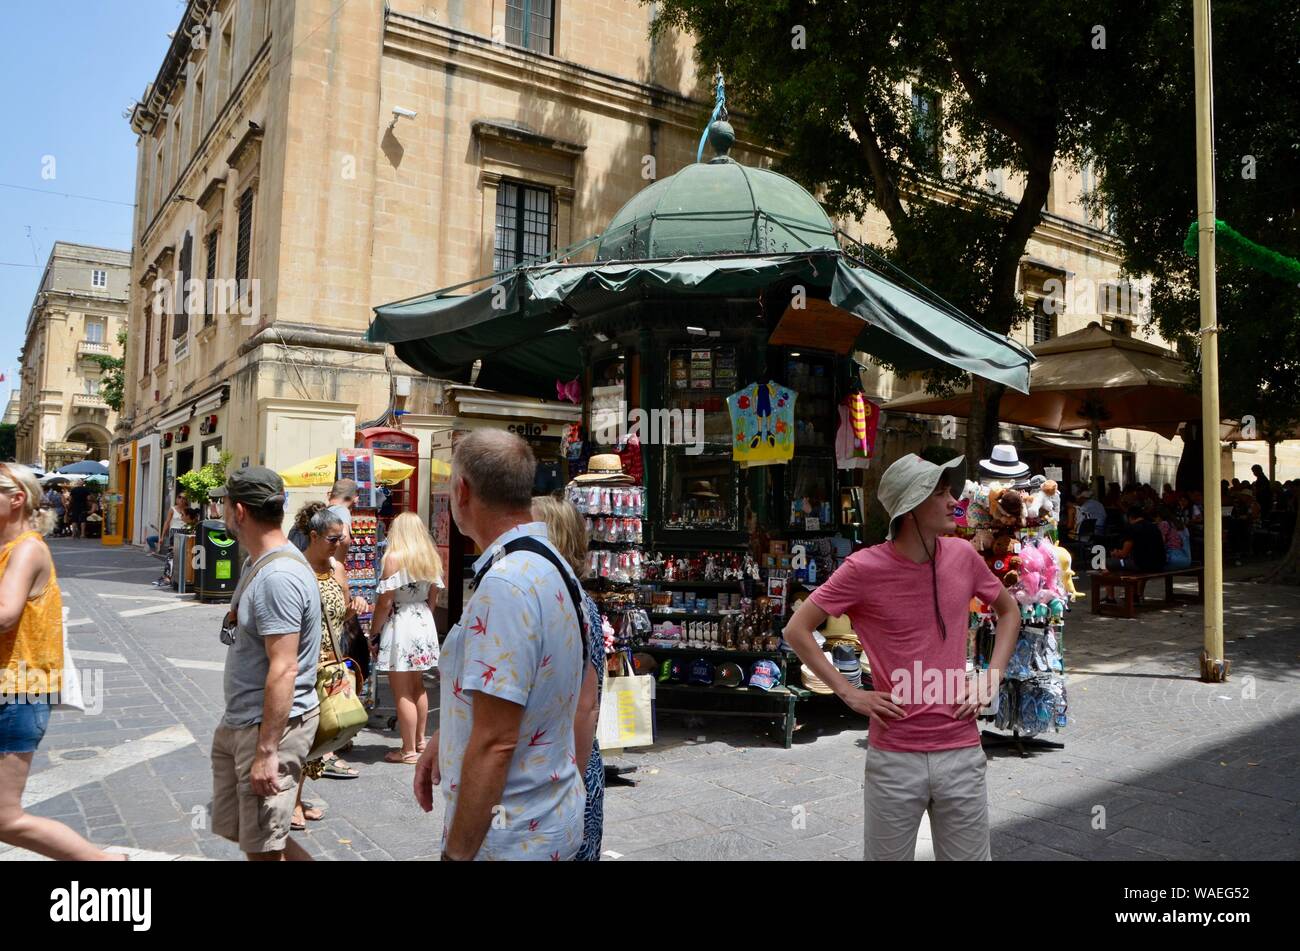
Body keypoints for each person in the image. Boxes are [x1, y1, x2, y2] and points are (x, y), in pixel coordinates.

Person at [784, 454, 1021, 861]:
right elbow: (796, 629)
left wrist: (991, 677)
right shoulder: (863, 568)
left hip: (961, 749)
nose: (954, 502)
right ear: (911, 508)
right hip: (894, 758)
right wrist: (849, 693)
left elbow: (1009, 611)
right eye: (941, 493)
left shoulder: (963, 556)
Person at [413, 430, 586, 861]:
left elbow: (496, 742)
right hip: (545, 819)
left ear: (462, 491)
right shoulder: (549, 563)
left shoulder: (507, 584)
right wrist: (447, 735)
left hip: (509, 838)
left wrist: (455, 855)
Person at [0, 463, 123, 860]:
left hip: (17, 695)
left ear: (16, 499)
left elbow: (5, 613)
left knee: (5, 819)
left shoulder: (28, 549)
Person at [208, 467, 321, 861]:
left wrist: (267, 751)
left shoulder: (279, 576)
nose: (222, 511)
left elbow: (284, 667)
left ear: (239, 511)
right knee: (251, 834)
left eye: (223, 504)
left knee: (263, 849)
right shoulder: (260, 563)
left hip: (268, 730)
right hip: (243, 722)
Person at [531, 495, 605, 862]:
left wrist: (570, 781)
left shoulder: (573, 604)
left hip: (565, 768)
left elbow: (585, 707)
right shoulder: (555, 596)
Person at [292, 503, 369, 829]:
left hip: (332, 665)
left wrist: (357, 607)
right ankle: (290, 804)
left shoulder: (337, 569)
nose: (340, 544)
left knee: (319, 735)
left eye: (342, 538)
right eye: (333, 538)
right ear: (313, 535)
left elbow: (340, 614)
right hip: (303, 664)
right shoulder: (297, 569)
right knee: (297, 737)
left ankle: (296, 798)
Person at [369, 512, 443, 764]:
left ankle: (408, 749)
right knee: (417, 685)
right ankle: (420, 741)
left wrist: (374, 631)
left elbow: (385, 601)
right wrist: (425, 620)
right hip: (422, 620)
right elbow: (434, 597)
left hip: (401, 623)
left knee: (401, 690)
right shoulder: (429, 557)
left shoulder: (393, 558)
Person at [1101, 507, 1167, 604]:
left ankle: (1110, 598)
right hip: (1158, 564)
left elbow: (1124, 553)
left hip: (1141, 564)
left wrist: (1115, 553)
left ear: (1130, 517)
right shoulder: (1154, 527)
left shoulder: (1132, 528)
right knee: (1134, 564)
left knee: (1105, 564)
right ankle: (1137, 595)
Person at [1157, 506, 1192, 570]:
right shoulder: (1181, 524)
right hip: (1186, 560)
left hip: (1173, 560)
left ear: (1159, 516)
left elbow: (1161, 542)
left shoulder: (1164, 523)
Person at [327, 478, 359, 547]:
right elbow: (344, 539)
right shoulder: (342, 510)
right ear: (356, 499)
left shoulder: (326, 511)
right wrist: (338, 558)